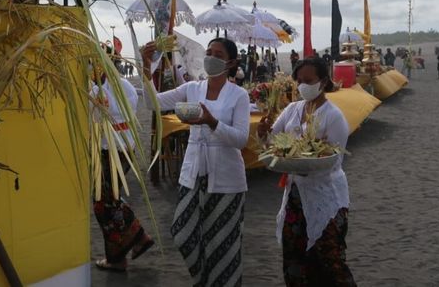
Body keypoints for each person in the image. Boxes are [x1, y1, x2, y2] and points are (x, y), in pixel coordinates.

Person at [141, 38, 250, 286]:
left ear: (230, 62)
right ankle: (203, 281)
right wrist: (146, 67)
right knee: (182, 233)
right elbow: (152, 103)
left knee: (222, 244)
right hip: (193, 175)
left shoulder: (238, 95)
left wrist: (213, 122)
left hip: (226, 181)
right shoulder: (192, 89)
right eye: (209, 52)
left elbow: (241, 140)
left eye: (218, 54)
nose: (211, 56)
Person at [257, 57, 356, 286]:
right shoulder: (292, 109)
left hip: (326, 197)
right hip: (295, 197)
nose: (303, 85)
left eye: (308, 80)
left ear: (322, 81)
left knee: (331, 262)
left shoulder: (333, 116)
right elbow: (273, 142)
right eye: (299, 80)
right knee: (295, 260)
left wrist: (306, 159)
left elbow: (334, 161)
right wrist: (263, 134)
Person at [92, 51, 154, 272]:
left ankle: (137, 236)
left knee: (103, 201)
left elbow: (103, 110)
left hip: (114, 148)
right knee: (106, 200)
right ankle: (118, 255)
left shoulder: (111, 87)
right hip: (117, 145)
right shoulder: (114, 84)